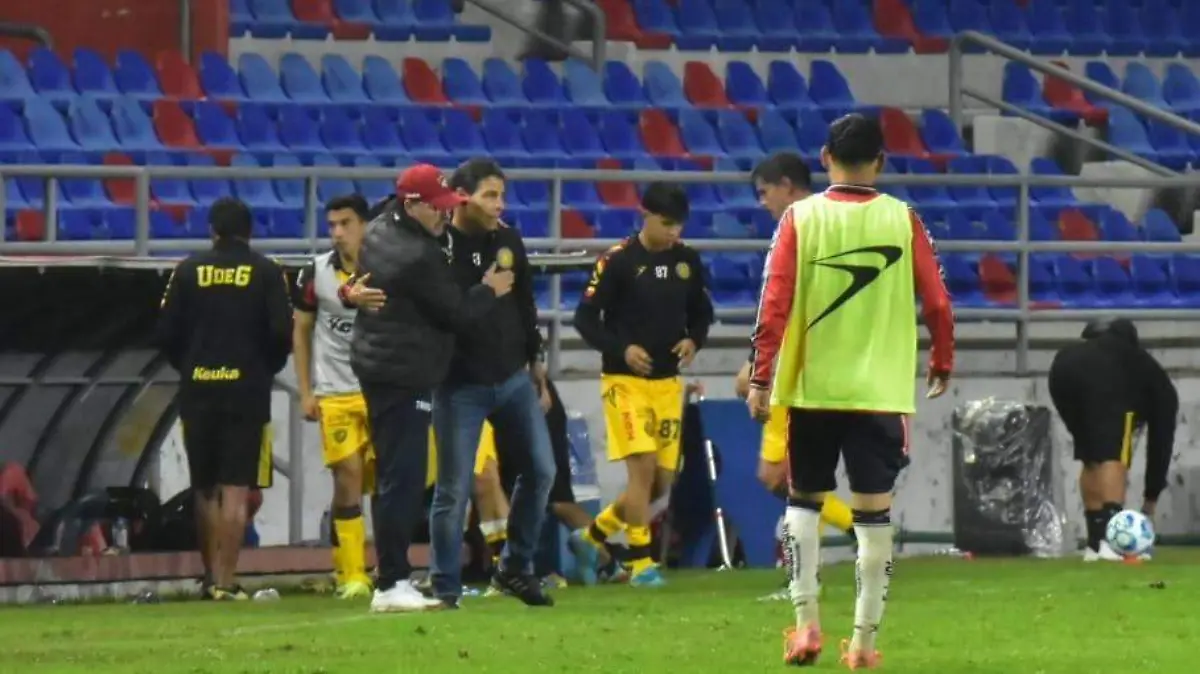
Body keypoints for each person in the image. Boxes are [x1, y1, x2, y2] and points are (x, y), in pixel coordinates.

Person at [747, 114, 955, 668]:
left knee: (803, 503)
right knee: (873, 515)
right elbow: (937, 300)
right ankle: (863, 643)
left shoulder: (799, 218)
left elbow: (774, 300)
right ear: (880, 162)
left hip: (813, 388)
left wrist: (762, 375)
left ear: (825, 158)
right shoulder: (903, 219)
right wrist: (942, 358)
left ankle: (806, 627)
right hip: (879, 391)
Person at [345, 164, 514, 613]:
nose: (444, 215)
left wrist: (348, 293)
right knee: (403, 478)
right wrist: (491, 289)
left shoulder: (380, 224)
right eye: (436, 208)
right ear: (412, 204)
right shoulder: (416, 255)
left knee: (394, 476)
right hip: (402, 370)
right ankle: (392, 582)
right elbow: (457, 313)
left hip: (379, 362)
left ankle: (392, 577)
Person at [427, 158, 557, 608]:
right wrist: (485, 290)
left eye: (501, 195)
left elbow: (525, 303)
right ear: (462, 197)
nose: (499, 205)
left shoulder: (508, 240)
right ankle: (445, 586)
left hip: (512, 377)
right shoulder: (440, 248)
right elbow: (448, 315)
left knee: (541, 470)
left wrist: (536, 361)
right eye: (490, 195)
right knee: (454, 489)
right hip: (459, 383)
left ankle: (515, 568)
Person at [573, 182, 715, 588]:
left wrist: (694, 340)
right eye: (666, 223)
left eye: (679, 225)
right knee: (642, 470)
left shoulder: (687, 261)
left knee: (659, 485)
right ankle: (640, 563)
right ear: (645, 215)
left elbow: (702, 313)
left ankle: (591, 536)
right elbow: (584, 319)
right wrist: (622, 349)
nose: (674, 232)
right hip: (625, 383)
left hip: (667, 384)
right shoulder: (618, 261)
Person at [155, 197, 293, 601]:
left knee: (204, 487)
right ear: (250, 232)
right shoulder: (267, 271)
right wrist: (262, 369)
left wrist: (190, 366)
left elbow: (165, 333)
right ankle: (226, 581)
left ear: (212, 231)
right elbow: (281, 333)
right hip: (246, 390)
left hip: (199, 388)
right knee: (236, 488)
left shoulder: (187, 270)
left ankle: (208, 575)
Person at [733, 154, 856, 566]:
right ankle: (849, 533)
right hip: (803, 359)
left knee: (785, 472)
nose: (762, 202)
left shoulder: (805, 228)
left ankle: (808, 563)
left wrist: (759, 364)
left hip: (803, 363)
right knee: (784, 473)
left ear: (786, 186)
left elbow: (787, 301)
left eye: (765, 192)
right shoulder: (823, 224)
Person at [292, 194, 377, 599]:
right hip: (335, 392)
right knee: (347, 476)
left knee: (388, 481)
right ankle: (352, 573)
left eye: (346, 223)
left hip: (380, 389)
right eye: (332, 225)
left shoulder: (388, 268)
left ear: (365, 225)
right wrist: (305, 391)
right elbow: (301, 330)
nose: (338, 233)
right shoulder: (315, 272)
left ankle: (390, 569)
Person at [1047, 317, 1177, 562]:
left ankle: (1095, 544)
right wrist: (1151, 498)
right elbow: (1161, 443)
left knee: (1091, 457)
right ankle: (1112, 543)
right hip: (1100, 381)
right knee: (1113, 453)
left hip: (1062, 369)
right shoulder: (1145, 368)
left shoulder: (1083, 352)